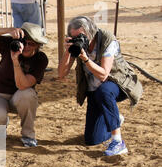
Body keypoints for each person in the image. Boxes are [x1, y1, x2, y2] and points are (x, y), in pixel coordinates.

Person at [58, 16, 143, 156]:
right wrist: (68, 52)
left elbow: (104, 75)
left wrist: (85, 59)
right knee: (92, 140)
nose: (79, 39)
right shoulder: (78, 46)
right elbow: (61, 74)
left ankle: (118, 142)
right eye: (74, 37)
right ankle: (113, 116)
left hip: (117, 84)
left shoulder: (107, 39)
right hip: (94, 90)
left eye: (81, 36)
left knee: (104, 92)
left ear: (91, 32)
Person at [0, 22, 48, 147]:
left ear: (38, 45)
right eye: (23, 42)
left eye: (31, 43)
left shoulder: (40, 59)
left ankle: (28, 135)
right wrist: (8, 30)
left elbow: (23, 85)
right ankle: (0, 124)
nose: (25, 46)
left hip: (19, 96)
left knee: (28, 94)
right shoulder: (10, 45)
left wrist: (15, 61)